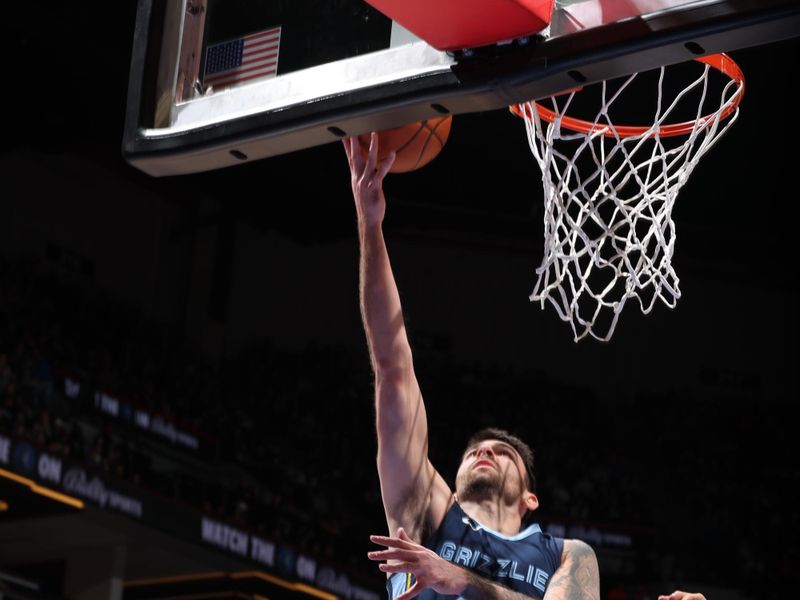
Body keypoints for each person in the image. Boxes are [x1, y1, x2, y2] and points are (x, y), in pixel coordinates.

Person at [343, 133, 707, 600]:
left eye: (503, 453)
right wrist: (369, 224)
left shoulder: (566, 555)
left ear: (531, 499)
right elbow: (392, 366)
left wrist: (463, 580)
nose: (485, 452)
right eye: (475, 450)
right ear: (451, 484)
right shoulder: (426, 511)